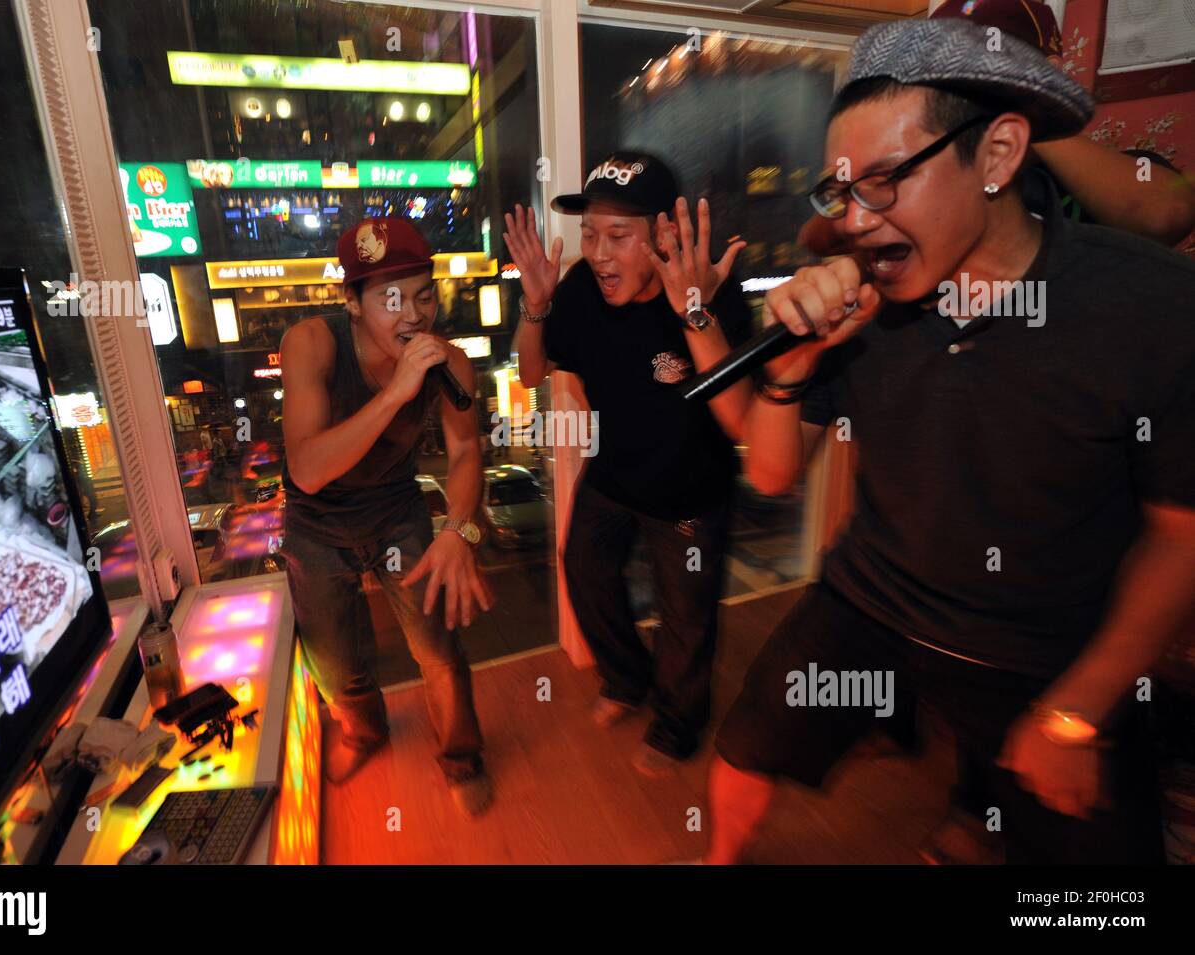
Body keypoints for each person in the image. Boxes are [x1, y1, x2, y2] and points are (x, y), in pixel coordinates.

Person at [704, 17, 1195, 864]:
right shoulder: (861, 300)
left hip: (1046, 649)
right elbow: (777, 474)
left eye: (887, 180)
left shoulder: (1148, 306)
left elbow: (1181, 539)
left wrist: (1077, 710)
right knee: (746, 750)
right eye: (842, 189)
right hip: (873, 603)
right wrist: (794, 367)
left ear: (1000, 156)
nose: (855, 222)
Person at [505, 151, 752, 776]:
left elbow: (742, 421)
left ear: (664, 236)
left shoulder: (714, 295)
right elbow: (532, 369)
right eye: (589, 234)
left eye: (618, 236)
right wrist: (536, 305)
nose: (599, 253)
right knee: (583, 569)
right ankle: (625, 679)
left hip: (691, 494)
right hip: (614, 475)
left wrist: (695, 312)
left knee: (687, 621)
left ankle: (677, 724)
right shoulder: (582, 292)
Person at [279, 216, 494, 816]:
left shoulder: (450, 361)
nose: (413, 315)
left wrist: (460, 531)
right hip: (316, 523)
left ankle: (461, 755)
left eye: (425, 295)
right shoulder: (311, 343)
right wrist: (396, 392)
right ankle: (366, 734)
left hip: (397, 510)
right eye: (391, 299)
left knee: (440, 652)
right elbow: (308, 468)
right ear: (351, 301)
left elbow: (467, 453)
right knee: (337, 666)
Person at [799, 0, 1195, 258]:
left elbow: (1166, 215)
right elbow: (817, 238)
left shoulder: (1121, 172)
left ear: (1049, 71)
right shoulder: (934, 175)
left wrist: (1025, 112)